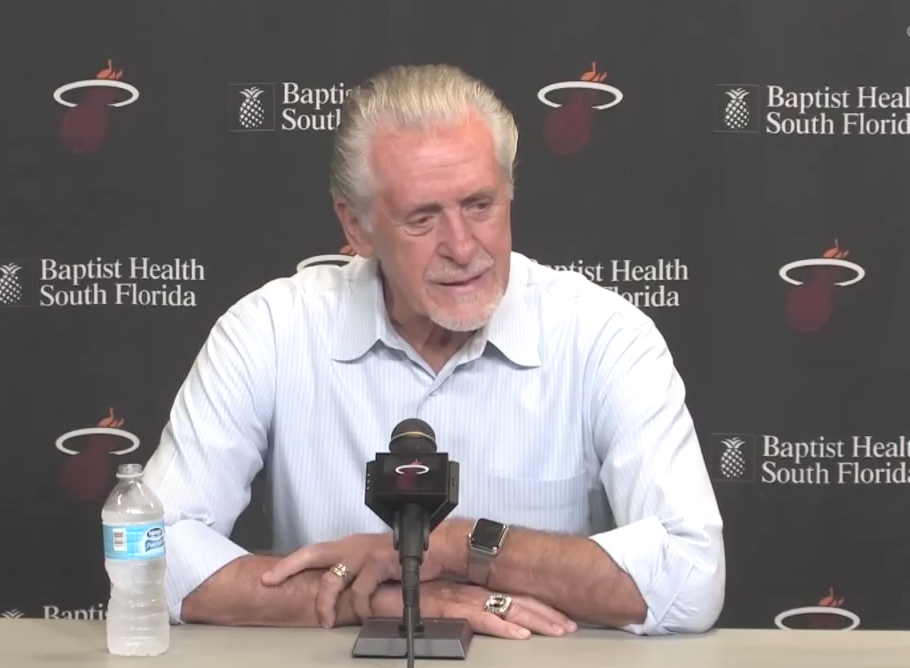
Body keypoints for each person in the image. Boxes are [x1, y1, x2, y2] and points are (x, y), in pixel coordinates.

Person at [142, 63, 725, 639]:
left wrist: (457, 546)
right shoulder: (270, 330)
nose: (463, 247)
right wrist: (391, 600)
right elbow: (147, 553)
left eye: (480, 205)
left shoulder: (604, 337)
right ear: (357, 226)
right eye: (422, 218)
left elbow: (692, 576)